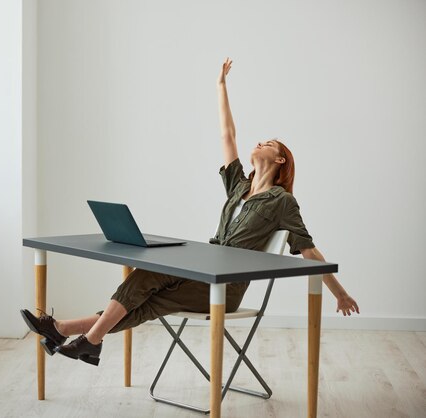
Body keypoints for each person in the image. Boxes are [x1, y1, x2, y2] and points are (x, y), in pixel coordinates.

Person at [20, 57, 360, 366]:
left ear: (280, 160)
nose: (260, 143)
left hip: (225, 287)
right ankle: (69, 332)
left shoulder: (282, 202)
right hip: (203, 266)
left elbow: (308, 249)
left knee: (148, 288)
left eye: (269, 144)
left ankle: (80, 337)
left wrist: (340, 293)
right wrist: (220, 87)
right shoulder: (239, 187)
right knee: (146, 282)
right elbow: (228, 134)